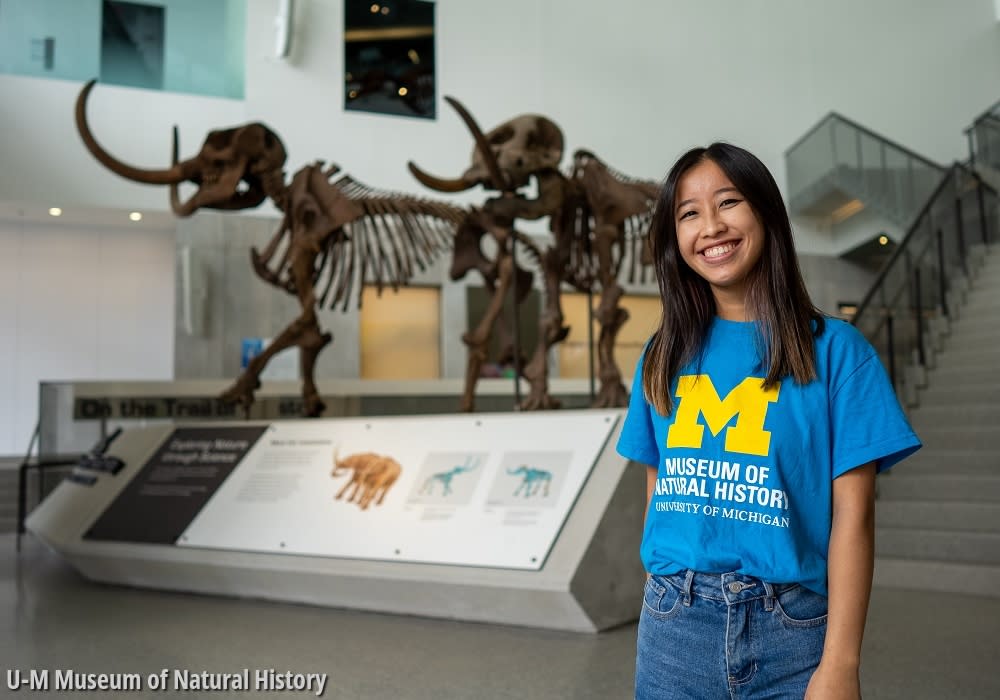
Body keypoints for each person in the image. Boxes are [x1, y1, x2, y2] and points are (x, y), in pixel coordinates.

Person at [616, 142, 921, 700]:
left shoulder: (837, 353)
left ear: (765, 212)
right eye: (688, 213)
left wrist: (841, 664)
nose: (710, 226)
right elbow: (658, 483)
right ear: (674, 239)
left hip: (793, 633)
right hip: (673, 626)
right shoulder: (663, 353)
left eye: (728, 202)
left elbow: (854, 521)